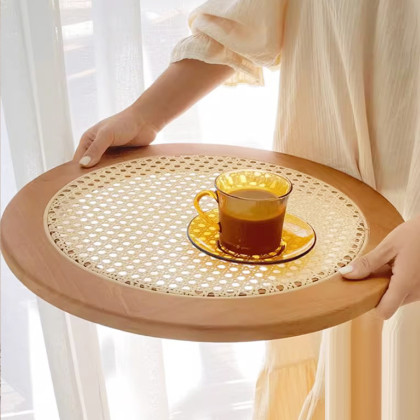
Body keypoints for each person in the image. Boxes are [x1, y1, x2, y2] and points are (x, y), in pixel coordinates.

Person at [74, 0, 420, 418]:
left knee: (397, 377)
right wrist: (144, 115)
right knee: (338, 377)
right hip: (325, 219)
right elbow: (245, 18)